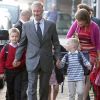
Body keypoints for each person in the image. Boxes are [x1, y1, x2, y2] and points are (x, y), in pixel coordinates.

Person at [13, 1, 61, 100]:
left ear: (42, 11)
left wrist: (58, 58)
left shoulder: (51, 25)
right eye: (34, 11)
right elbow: (22, 44)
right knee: (31, 88)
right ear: (32, 11)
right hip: (31, 60)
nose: (36, 13)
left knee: (44, 89)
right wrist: (17, 58)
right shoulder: (26, 25)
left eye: (38, 11)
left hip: (46, 61)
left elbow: (56, 43)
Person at [66, 9, 100, 100]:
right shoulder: (76, 23)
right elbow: (68, 36)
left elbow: (98, 44)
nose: (78, 23)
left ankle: (83, 98)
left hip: (91, 53)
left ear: (86, 20)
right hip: (78, 52)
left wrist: (98, 58)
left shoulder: (94, 27)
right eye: (77, 20)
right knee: (79, 76)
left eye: (81, 21)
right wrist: (76, 43)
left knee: (86, 76)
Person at [0, 28, 26, 100]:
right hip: (9, 72)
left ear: (19, 37)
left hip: (19, 72)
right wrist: (1, 72)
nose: (14, 38)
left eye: (16, 36)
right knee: (10, 89)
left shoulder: (21, 48)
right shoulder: (6, 47)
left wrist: (20, 63)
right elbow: (1, 60)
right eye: (12, 36)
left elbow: (25, 59)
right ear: (9, 37)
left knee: (18, 89)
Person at [14, 9, 32, 100]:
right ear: (25, 16)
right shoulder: (19, 26)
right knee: (20, 81)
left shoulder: (22, 25)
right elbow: (21, 43)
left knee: (24, 81)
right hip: (21, 57)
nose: (30, 19)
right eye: (29, 17)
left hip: (24, 57)